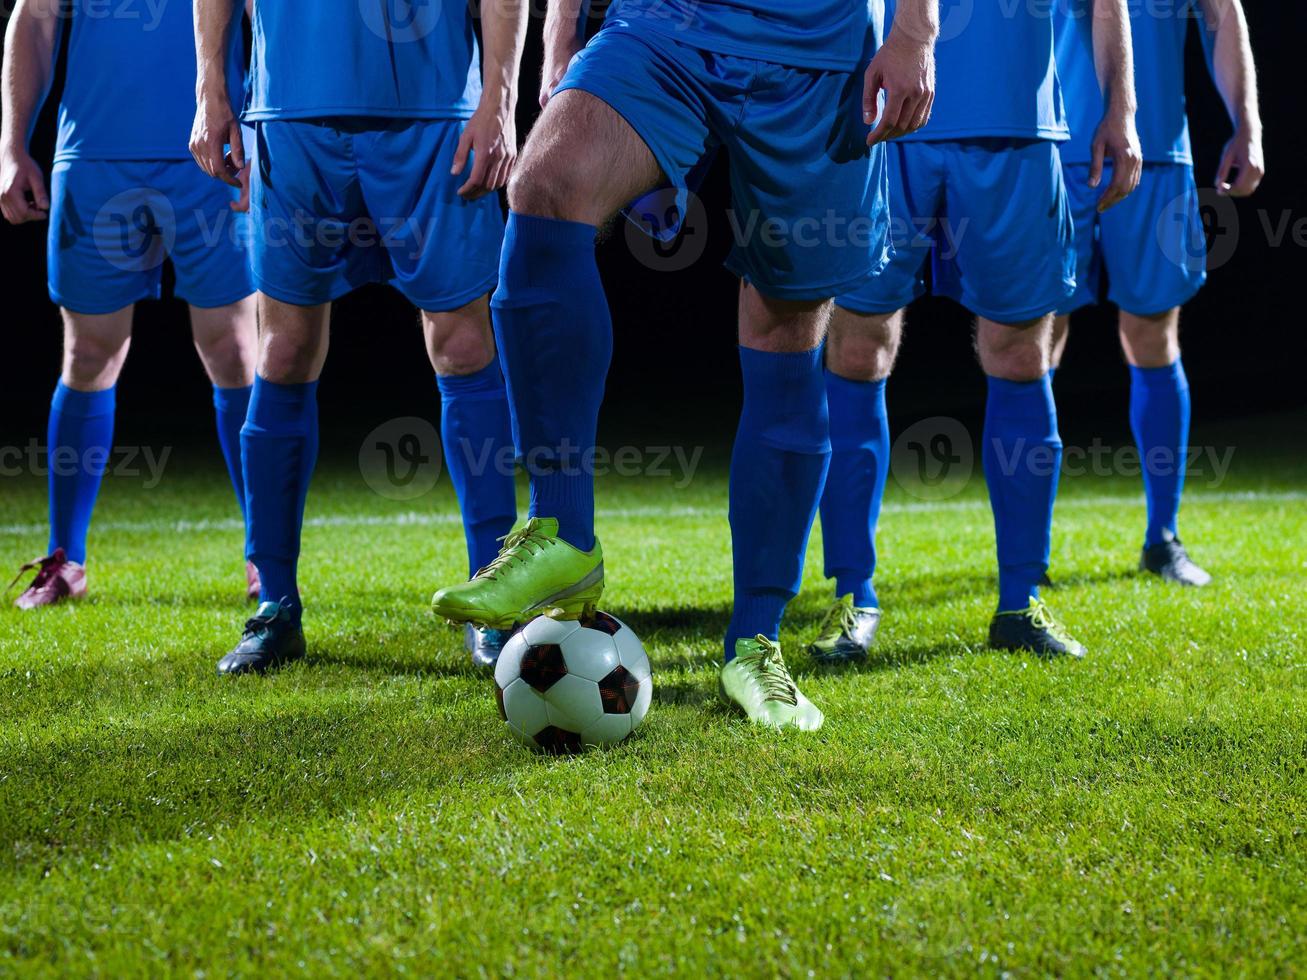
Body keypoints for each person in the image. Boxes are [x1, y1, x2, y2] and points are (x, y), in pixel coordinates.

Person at [432, 0, 940, 730]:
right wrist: (560, 38)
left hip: (816, 46)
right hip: (663, 27)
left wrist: (913, 30)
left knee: (785, 326)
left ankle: (754, 641)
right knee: (545, 184)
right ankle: (563, 529)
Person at [191, 0, 528, 674]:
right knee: (283, 353)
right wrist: (210, 87)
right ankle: (275, 606)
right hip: (290, 113)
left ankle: (494, 601)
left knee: (463, 347)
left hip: (433, 114)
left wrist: (501, 96)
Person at [808, 0, 1141, 664]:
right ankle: (853, 594)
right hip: (883, 112)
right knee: (854, 345)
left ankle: (1021, 600)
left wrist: (1121, 111)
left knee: (1020, 352)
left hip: (1020, 121)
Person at [1, 0, 258, 609]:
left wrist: (262, 127)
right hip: (93, 155)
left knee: (235, 350)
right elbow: (34, 20)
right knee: (88, 354)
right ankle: (67, 559)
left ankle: (265, 557)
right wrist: (12, 145)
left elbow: (267, 19)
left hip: (212, 150)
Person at [1050, 0, 1264, 586]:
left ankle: (1162, 537)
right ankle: (1027, 553)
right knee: (1031, 339)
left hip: (1157, 150)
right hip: (1047, 143)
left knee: (1152, 334)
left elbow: (1223, 16)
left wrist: (1247, 123)